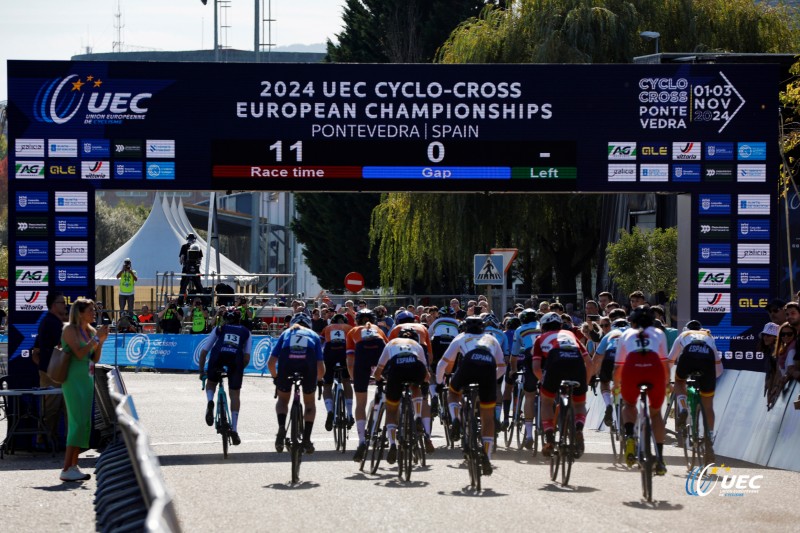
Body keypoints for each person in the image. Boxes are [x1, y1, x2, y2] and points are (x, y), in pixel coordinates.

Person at [436, 315, 506, 475]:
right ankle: (487, 456)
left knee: (453, 393)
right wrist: (489, 379)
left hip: (468, 366)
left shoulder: (461, 337)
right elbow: (502, 367)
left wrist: (440, 383)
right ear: (483, 328)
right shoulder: (492, 339)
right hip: (488, 369)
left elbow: (442, 363)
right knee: (487, 417)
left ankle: (455, 419)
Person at [614, 305, 669, 475]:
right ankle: (659, 458)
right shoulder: (659, 333)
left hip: (632, 367)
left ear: (633, 322)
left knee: (629, 404)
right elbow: (665, 364)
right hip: (654, 368)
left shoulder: (626, 334)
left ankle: (630, 436)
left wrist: (616, 384)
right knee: (655, 413)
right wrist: (665, 383)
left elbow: (618, 368)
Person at [59, 298, 108, 481]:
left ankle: (73, 465)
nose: (94, 314)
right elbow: (79, 354)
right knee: (76, 422)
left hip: (87, 379)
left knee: (84, 423)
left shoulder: (91, 331)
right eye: (90, 310)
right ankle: (66, 467)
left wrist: (100, 341)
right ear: (79, 313)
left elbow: (93, 359)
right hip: (73, 380)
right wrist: (96, 339)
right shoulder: (69, 329)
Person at [532, 312, 592, 459]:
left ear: (543, 327)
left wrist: (544, 382)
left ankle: (550, 437)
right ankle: (578, 428)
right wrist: (585, 383)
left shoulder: (540, 338)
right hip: (575, 362)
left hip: (555, 362)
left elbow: (536, 368)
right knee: (579, 404)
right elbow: (589, 362)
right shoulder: (570, 335)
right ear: (560, 325)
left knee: (546, 402)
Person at [372, 327, 430, 464]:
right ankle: (418, 416)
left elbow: (379, 370)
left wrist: (379, 379)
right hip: (415, 367)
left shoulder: (391, 344)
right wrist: (424, 382)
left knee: (391, 411)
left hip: (396, 369)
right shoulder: (417, 345)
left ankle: (392, 444)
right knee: (416, 386)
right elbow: (426, 374)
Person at [667, 319, 723, 461]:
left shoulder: (684, 335)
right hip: (707, 359)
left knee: (679, 381)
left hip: (689, 356)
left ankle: (683, 407)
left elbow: (670, 360)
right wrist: (709, 379)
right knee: (708, 404)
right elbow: (718, 367)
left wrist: (666, 379)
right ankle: (709, 439)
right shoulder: (708, 335)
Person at [268, 313, 324, 454]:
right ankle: (306, 439)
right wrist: (318, 380)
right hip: (308, 362)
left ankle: (282, 427)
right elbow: (320, 366)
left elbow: (271, 363)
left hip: (287, 361)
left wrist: (276, 378)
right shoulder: (313, 335)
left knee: (282, 399)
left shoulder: (286, 333)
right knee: (309, 403)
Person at [198, 307, 252, 446]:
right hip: (235, 360)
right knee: (234, 395)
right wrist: (239, 370)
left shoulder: (219, 329)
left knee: (211, 383)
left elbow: (204, 352)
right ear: (239, 319)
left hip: (218, 357)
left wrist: (201, 372)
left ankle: (210, 401)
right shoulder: (246, 332)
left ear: (225, 319)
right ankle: (234, 429)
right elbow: (246, 358)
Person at [347, 308, 388, 461]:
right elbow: (389, 350)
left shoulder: (353, 331)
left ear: (357, 321)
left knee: (360, 403)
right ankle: (391, 436)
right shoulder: (378, 329)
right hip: (380, 349)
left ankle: (362, 440)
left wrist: (354, 378)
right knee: (389, 393)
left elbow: (350, 360)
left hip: (362, 354)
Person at [32, 291, 68, 446]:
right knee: (51, 407)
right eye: (62, 302)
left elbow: (37, 349)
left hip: (51, 369)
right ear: (54, 306)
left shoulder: (50, 321)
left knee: (56, 405)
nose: (65, 305)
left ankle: (50, 439)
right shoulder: (51, 322)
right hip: (51, 371)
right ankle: (44, 439)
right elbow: (64, 345)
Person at [591, 309, 629, 427]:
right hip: (627, 358)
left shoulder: (609, 334)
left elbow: (597, 357)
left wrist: (592, 374)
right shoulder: (632, 332)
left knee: (605, 382)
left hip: (610, 356)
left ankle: (608, 404)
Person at [511, 308, 541, 448]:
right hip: (548, 355)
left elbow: (514, 354)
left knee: (529, 395)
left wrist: (513, 370)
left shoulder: (520, 330)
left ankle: (529, 435)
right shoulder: (542, 326)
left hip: (531, 356)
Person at [320, 313, 354, 433]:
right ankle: (350, 414)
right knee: (346, 381)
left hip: (330, 352)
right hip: (344, 351)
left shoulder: (327, 328)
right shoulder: (349, 327)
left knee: (327, 385)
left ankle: (330, 410)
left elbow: (321, 342)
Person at [178, 233, 203, 304]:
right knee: (198, 285)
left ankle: (181, 301)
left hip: (186, 268)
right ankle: (202, 301)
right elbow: (200, 259)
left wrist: (183, 263)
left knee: (183, 286)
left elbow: (181, 258)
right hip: (195, 268)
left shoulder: (184, 246)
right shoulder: (198, 247)